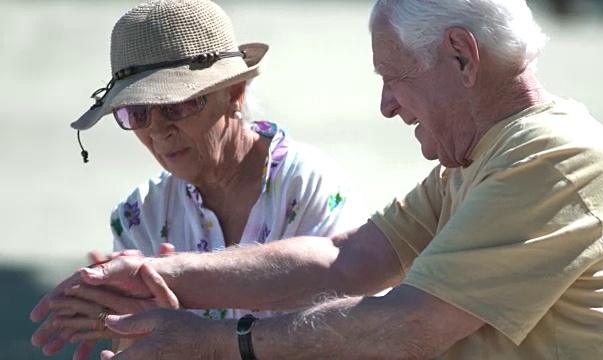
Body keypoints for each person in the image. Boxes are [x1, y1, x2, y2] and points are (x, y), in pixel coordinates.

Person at [31, 0, 603, 359]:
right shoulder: (481, 157)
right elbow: (346, 257)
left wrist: (212, 342)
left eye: (394, 76)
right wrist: (162, 274)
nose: (387, 107)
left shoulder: (551, 157)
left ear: (461, 55)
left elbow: (409, 324)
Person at [29, 0, 368, 358]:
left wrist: (196, 337)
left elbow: (352, 334)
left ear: (234, 94)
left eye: (177, 105)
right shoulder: (142, 214)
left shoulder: (308, 184)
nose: (158, 130)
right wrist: (135, 325)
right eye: (137, 112)